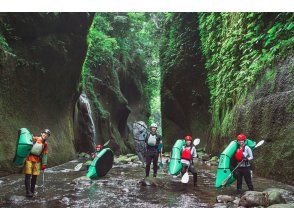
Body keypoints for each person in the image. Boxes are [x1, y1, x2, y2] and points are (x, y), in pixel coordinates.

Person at [23, 129, 51, 197]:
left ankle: (32, 191)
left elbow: (45, 154)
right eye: (45, 134)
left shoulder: (45, 144)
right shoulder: (35, 139)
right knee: (28, 175)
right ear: (42, 133)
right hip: (29, 158)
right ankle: (28, 192)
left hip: (37, 161)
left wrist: (44, 164)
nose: (45, 135)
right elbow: (28, 139)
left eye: (47, 135)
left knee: (34, 177)